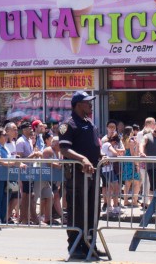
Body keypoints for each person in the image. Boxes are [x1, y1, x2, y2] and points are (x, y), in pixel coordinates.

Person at [59, 91, 106, 260]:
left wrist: (101, 156)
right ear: (78, 105)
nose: (91, 105)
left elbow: (93, 145)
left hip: (92, 172)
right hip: (77, 175)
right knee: (77, 209)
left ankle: (89, 244)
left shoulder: (89, 122)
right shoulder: (68, 124)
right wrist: (82, 159)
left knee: (93, 209)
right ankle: (75, 245)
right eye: (87, 102)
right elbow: (64, 148)